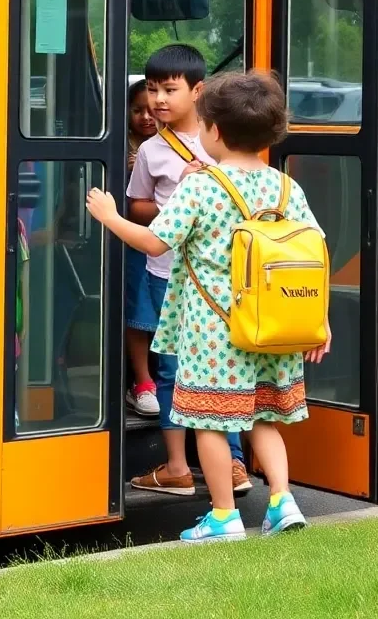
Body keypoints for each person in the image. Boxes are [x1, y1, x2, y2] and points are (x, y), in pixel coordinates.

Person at [86, 70, 330, 542]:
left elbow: (156, 243)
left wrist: (110, 217)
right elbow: (314, 251)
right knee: (263, 417)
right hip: (272, 327)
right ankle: (282, 500)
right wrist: (318, 319)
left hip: (213, 331)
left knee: (210, 423)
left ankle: (223, 516)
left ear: (213, 131)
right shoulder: (284, 187)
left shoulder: (202, 187)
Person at [125, 45, 250, 495]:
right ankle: (177, 465)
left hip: (219, 276)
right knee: (171, 370)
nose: (158, 99)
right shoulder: (151, 151)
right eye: (153, 88)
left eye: (170, 89)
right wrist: (174, 198)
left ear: (198, 91)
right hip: (166, 274)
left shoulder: (224, 140)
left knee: (221, 368)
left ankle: (234, 463)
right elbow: (138, 204)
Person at [125, 79, 159, 416]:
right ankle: (143, 381)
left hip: (170, 247)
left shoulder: (178, 146)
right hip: (137, 245)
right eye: (137, 111)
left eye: (151, 111)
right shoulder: (124, 150)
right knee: (138, 315)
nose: (146, 117)